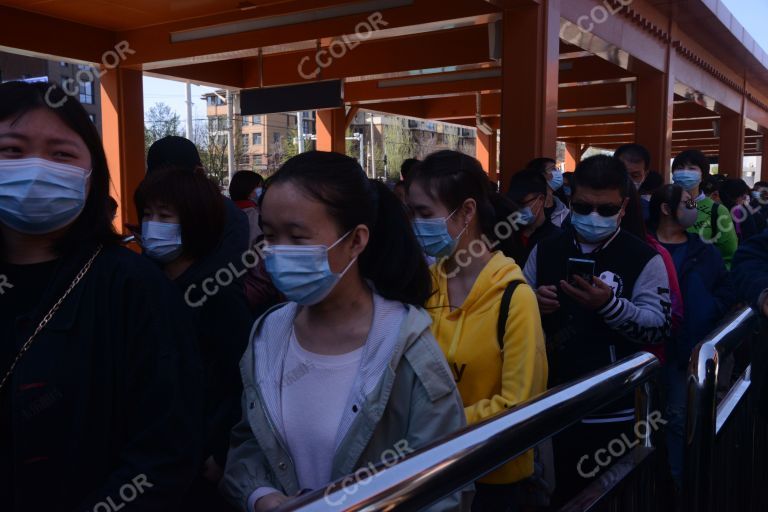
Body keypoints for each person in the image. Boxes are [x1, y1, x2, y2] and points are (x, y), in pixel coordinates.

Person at [220, 151, 470, 512]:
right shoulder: (267, 334)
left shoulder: (407, 349)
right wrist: (263, 498)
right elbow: (248, 443)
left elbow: (444, 487)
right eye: (270, 236)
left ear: (356, 240)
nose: (277, 253)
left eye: (297, 236)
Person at [0, 81, 203, 510]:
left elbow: (168, 445)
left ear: (92, 176)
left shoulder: (134, 287)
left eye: (61, 154)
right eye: (12, 150)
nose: (36, 169)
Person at [523, 155, 671, 502]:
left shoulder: (645, 258)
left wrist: (609, 305)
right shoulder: (545, 249)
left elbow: (659, 328)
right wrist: (531, 301)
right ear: (570, 201)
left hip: (617, 412)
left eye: (606, 210)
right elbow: (514, 305)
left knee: (613, 497)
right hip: (552, 404)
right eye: (583, 206)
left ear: (624, 207)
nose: (593, 217)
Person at [408, 150, 548, 511]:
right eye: (413, 213)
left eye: (425, 214)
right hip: (431, 477)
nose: (416, 224)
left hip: (494, 482)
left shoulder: (514, 297)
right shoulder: (423, 287)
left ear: (467, 212)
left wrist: (427, 427)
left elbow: (518, 407)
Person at [135, 165, 253, 511]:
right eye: (147, 214)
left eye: (165, 215)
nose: (152, 224)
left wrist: (222, 452)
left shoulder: (218, 294)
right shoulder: (143, 284)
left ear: (195, 222)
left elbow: (241, 381)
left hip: (201, 466)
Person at [648, 184, 737, 485]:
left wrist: (711, 307)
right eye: (687, 203)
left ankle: (676, 484)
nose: (694, 208)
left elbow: (726, 287)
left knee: (676, 419)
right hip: (646, 351)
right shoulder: (642, 247)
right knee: (643, 422)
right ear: (665, 209)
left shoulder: (704, 250)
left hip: (685, 351)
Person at [147, 136, 250, 267]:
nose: (166, 190)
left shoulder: (228, 215)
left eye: (176, 183)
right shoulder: (152, 206)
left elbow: (226, 276)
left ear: (199, 174)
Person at [671, 150, 737, 269]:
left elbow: (729, 256)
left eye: (692, 169)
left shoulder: (717, 211)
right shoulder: (664, 206)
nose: (685, 172)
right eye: (680, 168)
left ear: (703, 175)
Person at [506, 168, 562, 267]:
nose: (517, 208)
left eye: (522, 203)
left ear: (540, 200)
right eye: (513, 203)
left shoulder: (557, 239)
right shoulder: (506, 236)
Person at [525, 157, 569, 227]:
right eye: (553, 169)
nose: (558, 173)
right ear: (541, 175)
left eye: (557, 169)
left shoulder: (564, 211)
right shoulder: (527, 208)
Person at [614, 143, 652, 219]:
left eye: (635, 176)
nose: (628, 181)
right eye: (622, 174)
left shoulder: (650, 212)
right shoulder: (594, 206)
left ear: (645, 175)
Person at [229, 170, 264, 246]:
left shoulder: (224, 212)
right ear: (248, 190)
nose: (262, 191)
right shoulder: (256, 216)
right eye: (260, 187)